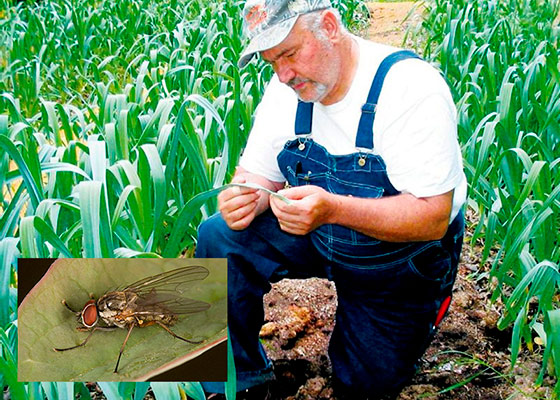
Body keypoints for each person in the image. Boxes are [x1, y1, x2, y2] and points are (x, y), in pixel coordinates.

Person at [196, 0, 467, 398]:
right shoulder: (287, 87)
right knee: (219, 237)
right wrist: (245, 197)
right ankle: (239, 383)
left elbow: (431, 218)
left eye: (289, 53)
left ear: (329, 26)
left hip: (400, 261)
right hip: (320, 233)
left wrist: (332, 209)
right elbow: (256, 174)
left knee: (362, 385)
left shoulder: (410, 88)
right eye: (271, 61)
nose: (283, 74)